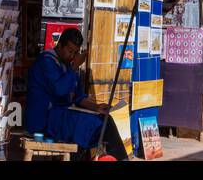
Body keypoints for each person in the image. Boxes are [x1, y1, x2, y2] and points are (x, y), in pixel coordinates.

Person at [24, 28, 127, 159]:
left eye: (75, 53)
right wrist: (74, 67)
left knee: (105, 120)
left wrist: (96, 107)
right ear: (59, 45)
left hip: (61, 116)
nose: (72, 56)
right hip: (45, 119)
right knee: (90, 126)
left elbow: (78, 97)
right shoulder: (46, 61)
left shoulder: (68, 65)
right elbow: (59, 89)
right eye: (70, 51)